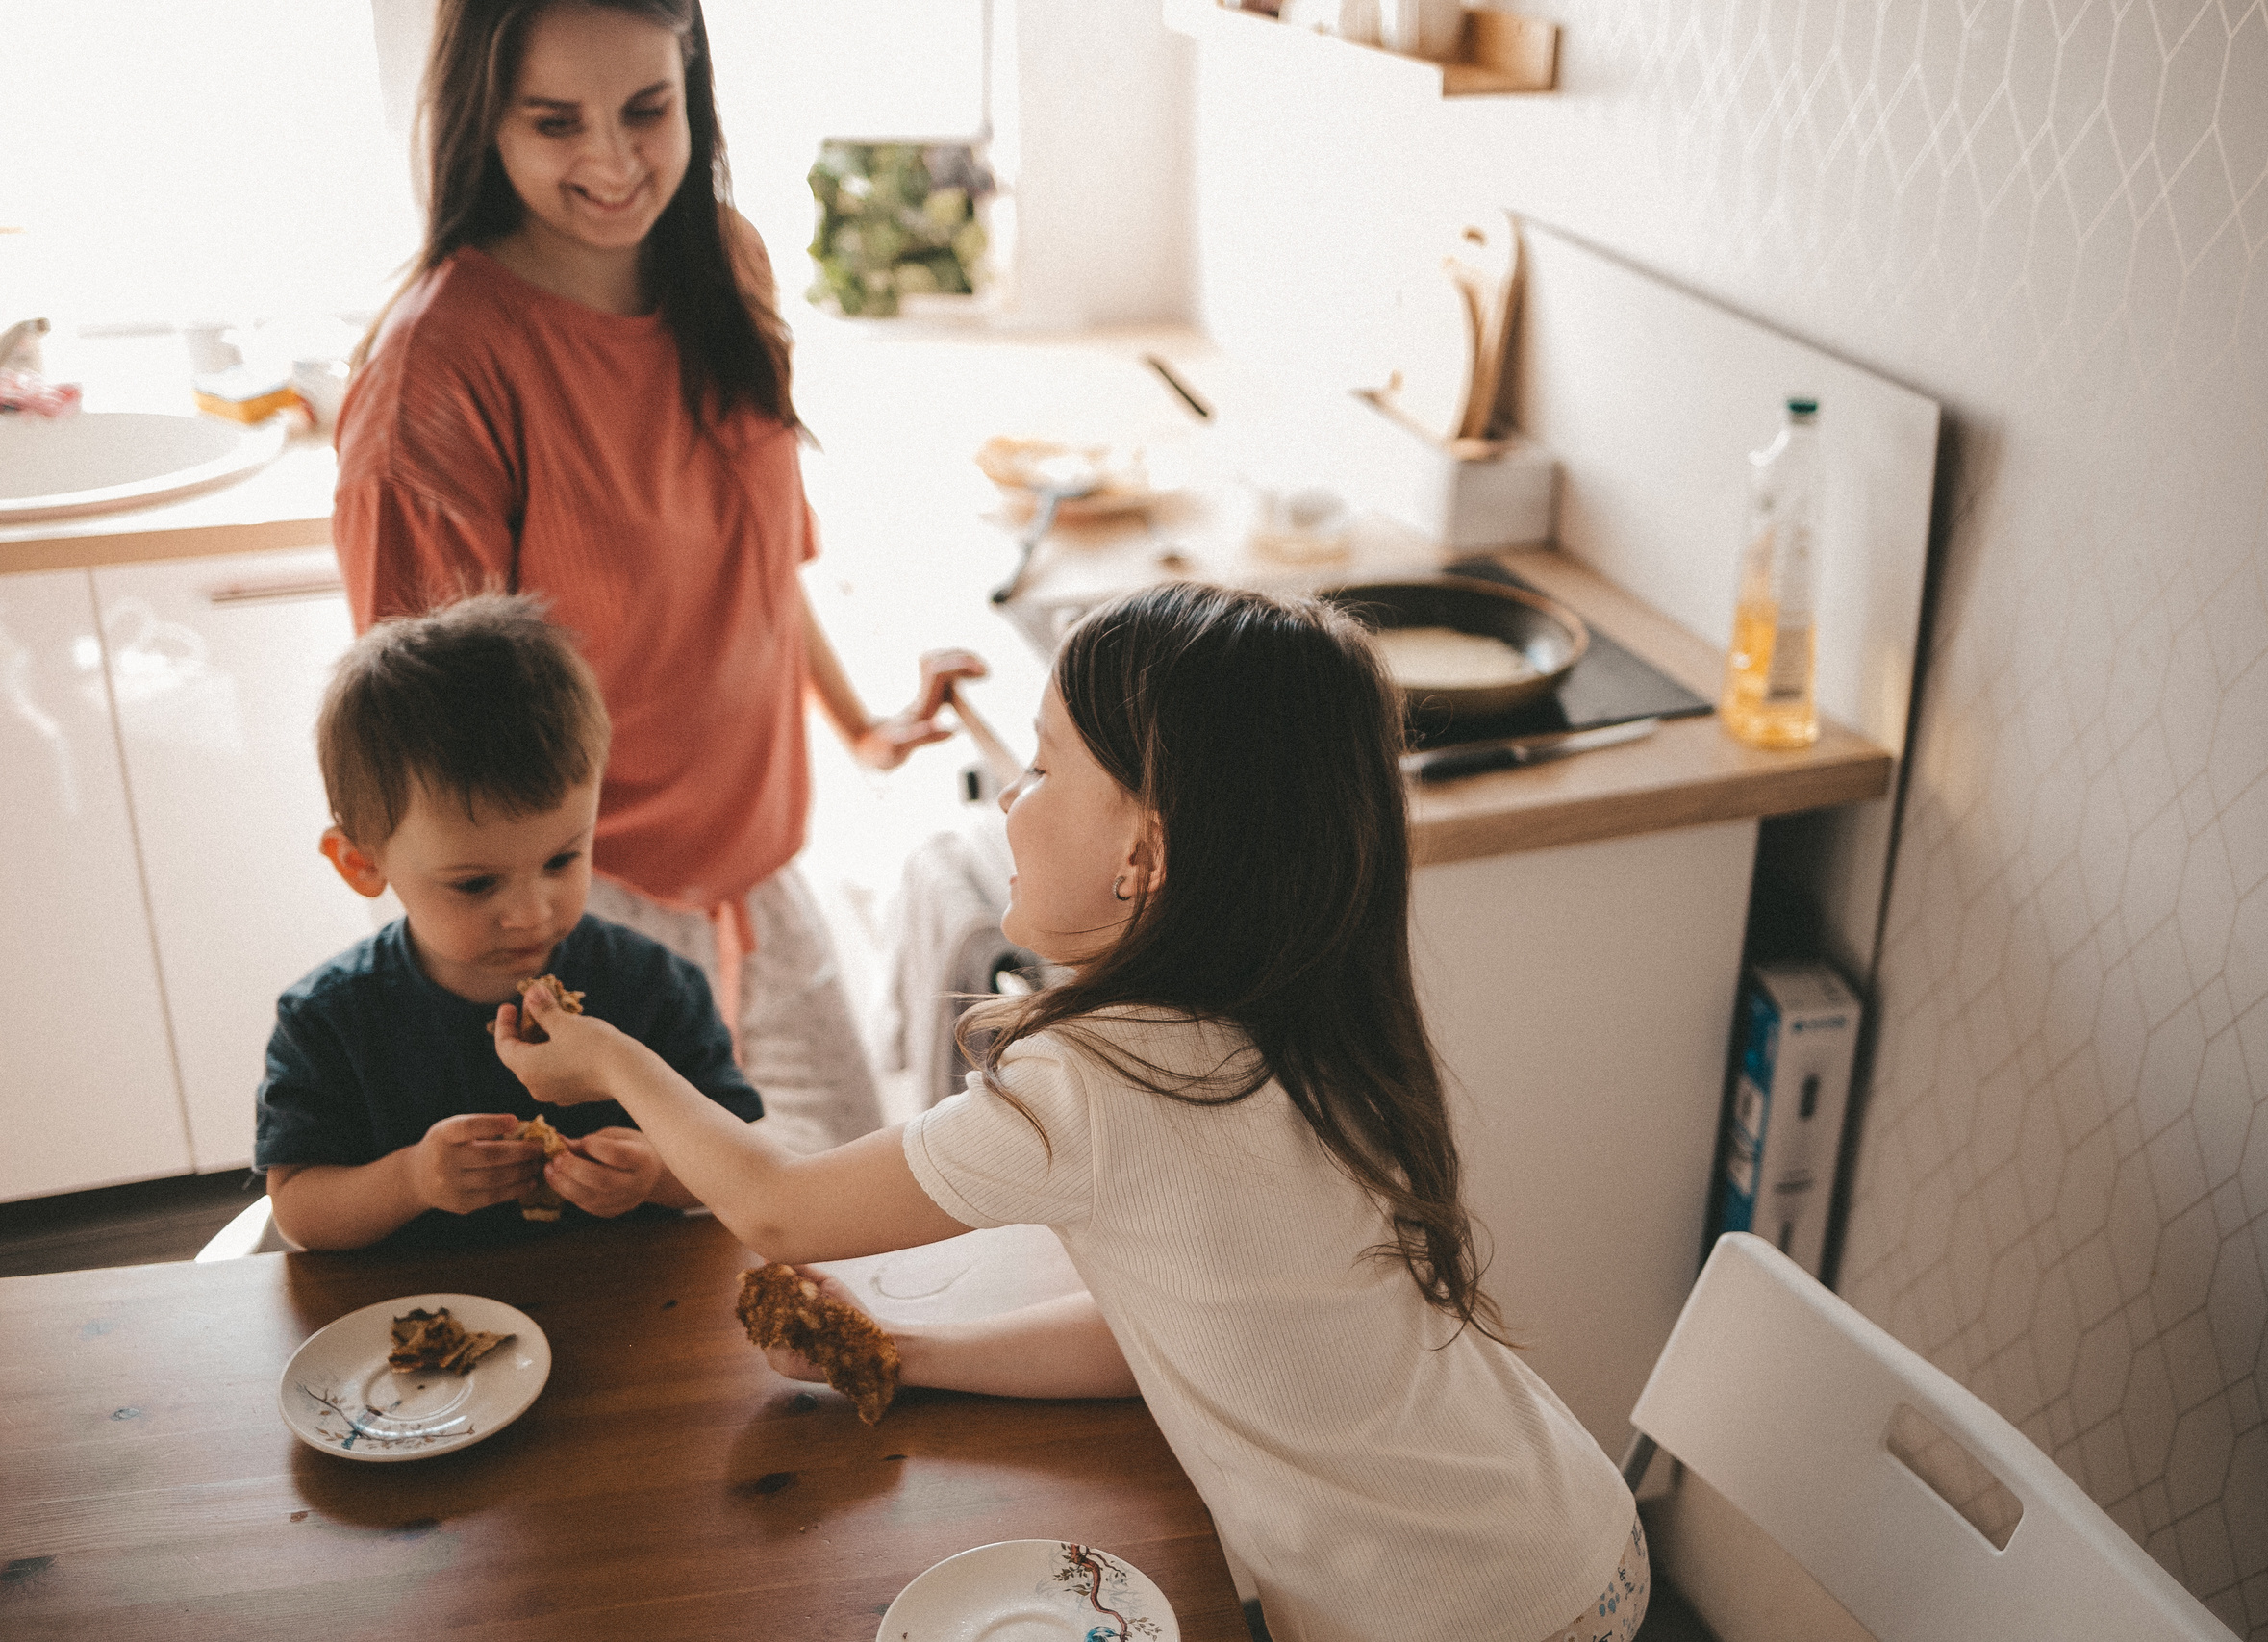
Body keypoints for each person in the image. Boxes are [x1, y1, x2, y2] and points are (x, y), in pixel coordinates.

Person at [494, 584, 1650, 1642]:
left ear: (1141, 854)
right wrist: (904, 1354)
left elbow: (782, 1211)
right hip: (1568, 1540)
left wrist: (611, 1063)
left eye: (1041, 770)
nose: (1009, 796)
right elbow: (1168, 1334)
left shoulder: (1099, 1081)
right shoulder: (1312, 1016)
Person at [333, 0, 982, 1155]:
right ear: (487, 120)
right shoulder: (440, 373)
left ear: (693, 85)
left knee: (853, 1220)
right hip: (584, 911)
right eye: (555, 122)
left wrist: (862, 729)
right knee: (668, 1284)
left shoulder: (724, 262)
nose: (615, 162)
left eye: (647, 109)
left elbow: (756, 555)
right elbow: (425, 746)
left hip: (761, 874)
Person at [258, 594, 764, 1252]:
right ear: (361, 863)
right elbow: (300, 1210)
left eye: (562, 858)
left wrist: (657, 1176)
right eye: (475, 883)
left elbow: (741, 1161)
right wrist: (412, 1179)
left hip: (629, 1314)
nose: (532, 913)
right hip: (424, 1322)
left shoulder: (657, 987)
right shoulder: (328, 1019)